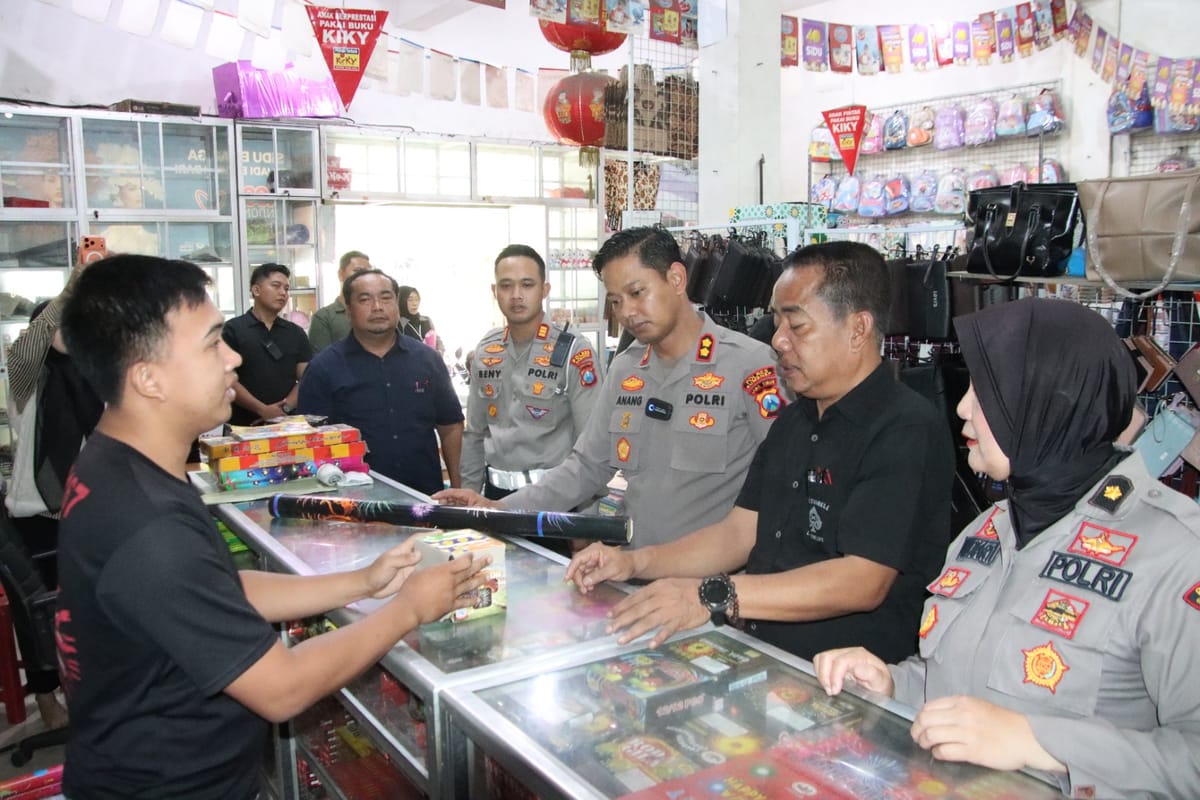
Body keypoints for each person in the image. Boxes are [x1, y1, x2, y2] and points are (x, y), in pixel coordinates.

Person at [56, 254, 488, 800]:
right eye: (213, 343)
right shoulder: (147, 526)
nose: (234, 358)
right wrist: (409, 609)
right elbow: (282, 688)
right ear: (148, 378)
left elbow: (214, 588)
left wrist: (363, 580)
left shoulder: (115, 465)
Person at [813, 297, 1200, 799]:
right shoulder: (989, 531)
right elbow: (958, 691)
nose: (961, 408)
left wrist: (1042, 743)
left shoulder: (1174, 553)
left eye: (986, 390)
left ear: (1048, 400)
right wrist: (891, 685)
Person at [566, 241, 955, 662]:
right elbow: (739, 533)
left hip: (849, 682)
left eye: (797, 326)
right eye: (776, 322)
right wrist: (634, 563)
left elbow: (862, 579)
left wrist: (711, 595)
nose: (778, 341)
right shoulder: (795, 422)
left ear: (857, 329)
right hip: (764, 656)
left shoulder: (904, 428)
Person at [435, 227, 782, 548]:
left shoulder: (751, 366)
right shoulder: (626, 368)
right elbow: (586, 467)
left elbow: (784, 484)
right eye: (616, 301)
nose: (627, 312)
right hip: (631, 575)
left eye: (636, 293)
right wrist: (496, 509)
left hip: (710, 590)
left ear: (676, 278)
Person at [3, 261, 103, 731]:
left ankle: (90, 688)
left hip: (88, 509)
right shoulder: (27, 378)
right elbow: (34, 338)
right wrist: (73, 285)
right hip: (37, 513)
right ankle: (48, 698)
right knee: (42, 615)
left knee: (90, 607)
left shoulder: (92, 376)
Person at [299, 270, 464, 495]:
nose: (377, 306)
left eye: (386, 298)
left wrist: (457, 485)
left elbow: (450, 425)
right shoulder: (323, 368)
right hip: (353, 502)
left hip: (425, 495)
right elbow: (311, 440)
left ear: (397, 303)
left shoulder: (428, 360)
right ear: (348, 309)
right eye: (365, 299)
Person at [461, 244, 602, 500]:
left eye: (527, 285)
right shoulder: (487, 350)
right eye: (506, 286)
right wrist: (469, 495)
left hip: (554, 500)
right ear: (495, 291)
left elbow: (590, 443)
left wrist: (586, 513)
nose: (516, 295)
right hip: (495, 496)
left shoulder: (572, 351)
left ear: (544, 290)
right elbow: (474, 434)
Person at [222, 263, 312, 425]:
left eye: (286, 288)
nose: (282, 293)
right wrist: (262, 409)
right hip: (244, 423)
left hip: (287, 422)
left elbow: (306, 377)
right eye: (276, 286)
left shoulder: (295, 332)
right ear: (256, 290)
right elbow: (226, 377)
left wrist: (283, 409)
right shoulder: (233, 329)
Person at [308, 250, 371, 353]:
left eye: (367, 272)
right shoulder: (324, 317)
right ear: (340, 274)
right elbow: (321, 364)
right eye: (357, 270)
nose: (363, 276)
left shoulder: (376, 311)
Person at [398, 285, 444, 356]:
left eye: (417, 299)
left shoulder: (426, 320)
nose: (415, 304)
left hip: (430, 363)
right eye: (410, 300)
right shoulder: (397, 324)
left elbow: (438, 340)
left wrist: (439, 352)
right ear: (401, 301)